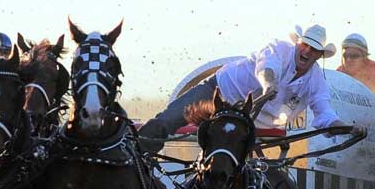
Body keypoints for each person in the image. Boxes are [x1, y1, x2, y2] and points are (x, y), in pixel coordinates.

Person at [138, 24, 363, 153]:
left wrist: (345, 128)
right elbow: (266, 69)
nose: (307, 51)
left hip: (250, 121)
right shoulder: (279, 49)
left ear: (319, 55)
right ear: (298, 44)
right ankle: (137, 157)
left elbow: (325, 113)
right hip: (218, 93)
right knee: (167, 121)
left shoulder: (316, 81)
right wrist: (269, 86)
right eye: (305, 45)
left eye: (314, 49)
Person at [335, 33, 375, 103]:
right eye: (345, 56)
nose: (348, 59)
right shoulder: (339, 72)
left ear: (364, 57)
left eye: (354, 56)